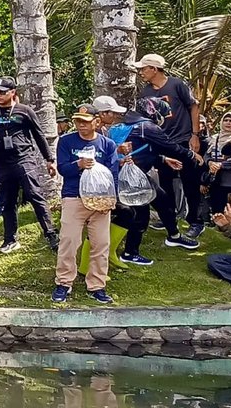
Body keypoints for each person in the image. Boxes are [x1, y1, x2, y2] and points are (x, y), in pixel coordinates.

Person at [93, 95, 187, 267]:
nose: (114, 116)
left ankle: (174, 236)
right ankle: (129, 252)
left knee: (163, 200)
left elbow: (142, 151)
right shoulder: (146, 126)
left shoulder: (119, 127)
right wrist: (193, 156)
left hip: (134, 174)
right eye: (111, 112)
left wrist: (163, 159)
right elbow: (171, 146)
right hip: (127, 178)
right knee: (139, 214)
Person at [0, 77, 58, 255]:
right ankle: (10, 239)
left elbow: (39, 135)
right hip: (2, 164)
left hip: (24, 160)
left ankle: (51, 235)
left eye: (3, 92)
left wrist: (49, 159)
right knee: (8, 201)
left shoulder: (24, 111)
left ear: (13, 92)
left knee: (35, 195)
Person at [135, 53, 205, 247]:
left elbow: (193, 106)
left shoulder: (176, 84)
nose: (141, 73)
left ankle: (196, 221)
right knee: (165, 185)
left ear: (154, 69)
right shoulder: (145, 92)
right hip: (163, 144)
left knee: (191, 183)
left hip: (183, 140)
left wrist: (194, 134)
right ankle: (170, 219)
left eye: (144, 68)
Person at [53, 105, 119, 304]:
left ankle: (97, 285)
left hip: (101, 201)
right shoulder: (66, 142)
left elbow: (113, 173)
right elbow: (62, 169)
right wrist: (78, 165)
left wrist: (111, 199)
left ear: (96, 122)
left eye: (86, 121)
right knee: (69, 241)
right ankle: (64, 283)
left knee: (101, 243)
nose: (81, 125)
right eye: (78, 121)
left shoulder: (107, 145)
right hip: (74, 197)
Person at [204, 110, 231, 216]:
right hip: (216, 180)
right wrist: (210, 163)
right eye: (225, 120)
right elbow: (207, 155)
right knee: (217, 208)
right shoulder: (215, 138)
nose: (228, 123)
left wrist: (221, 165)